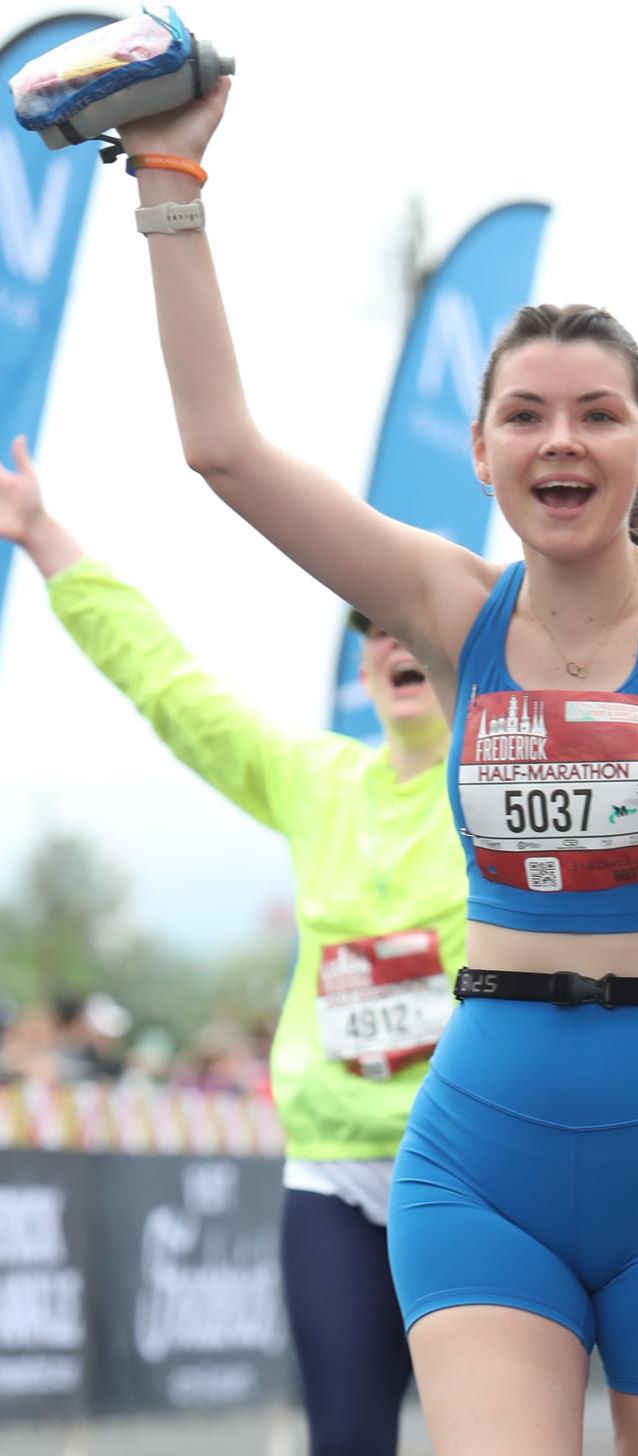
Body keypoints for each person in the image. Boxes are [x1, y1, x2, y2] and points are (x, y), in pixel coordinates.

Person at [117, 82, 638, 1456]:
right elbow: (223, 449)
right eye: (524, 415)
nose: (559, 439)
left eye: (597, 414)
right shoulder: (453, 614)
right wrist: (170, 182)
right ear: (480, 450)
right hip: (483, 1152)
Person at [0, 433, 461, 1455]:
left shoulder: (500, 789)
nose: (392, 642)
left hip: (472, 1165)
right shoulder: (316, 782)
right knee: (345, 1440)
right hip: (335, 1171)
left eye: (412, 624)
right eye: (372, 627)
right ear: (362, 662)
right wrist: (42, 536)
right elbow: (172, 687)